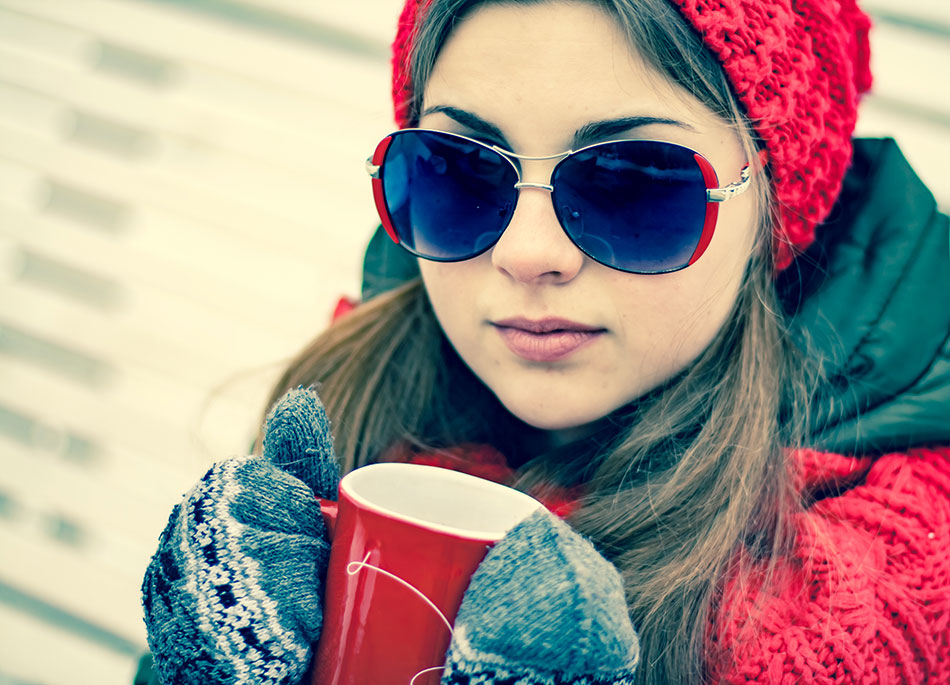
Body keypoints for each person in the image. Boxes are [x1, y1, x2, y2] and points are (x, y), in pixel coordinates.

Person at [138, 0, 950, 683]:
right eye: (462, 168)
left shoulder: (898, 573)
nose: (528, 253)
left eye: (633, 182)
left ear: (773, 206)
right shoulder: (350, 395)